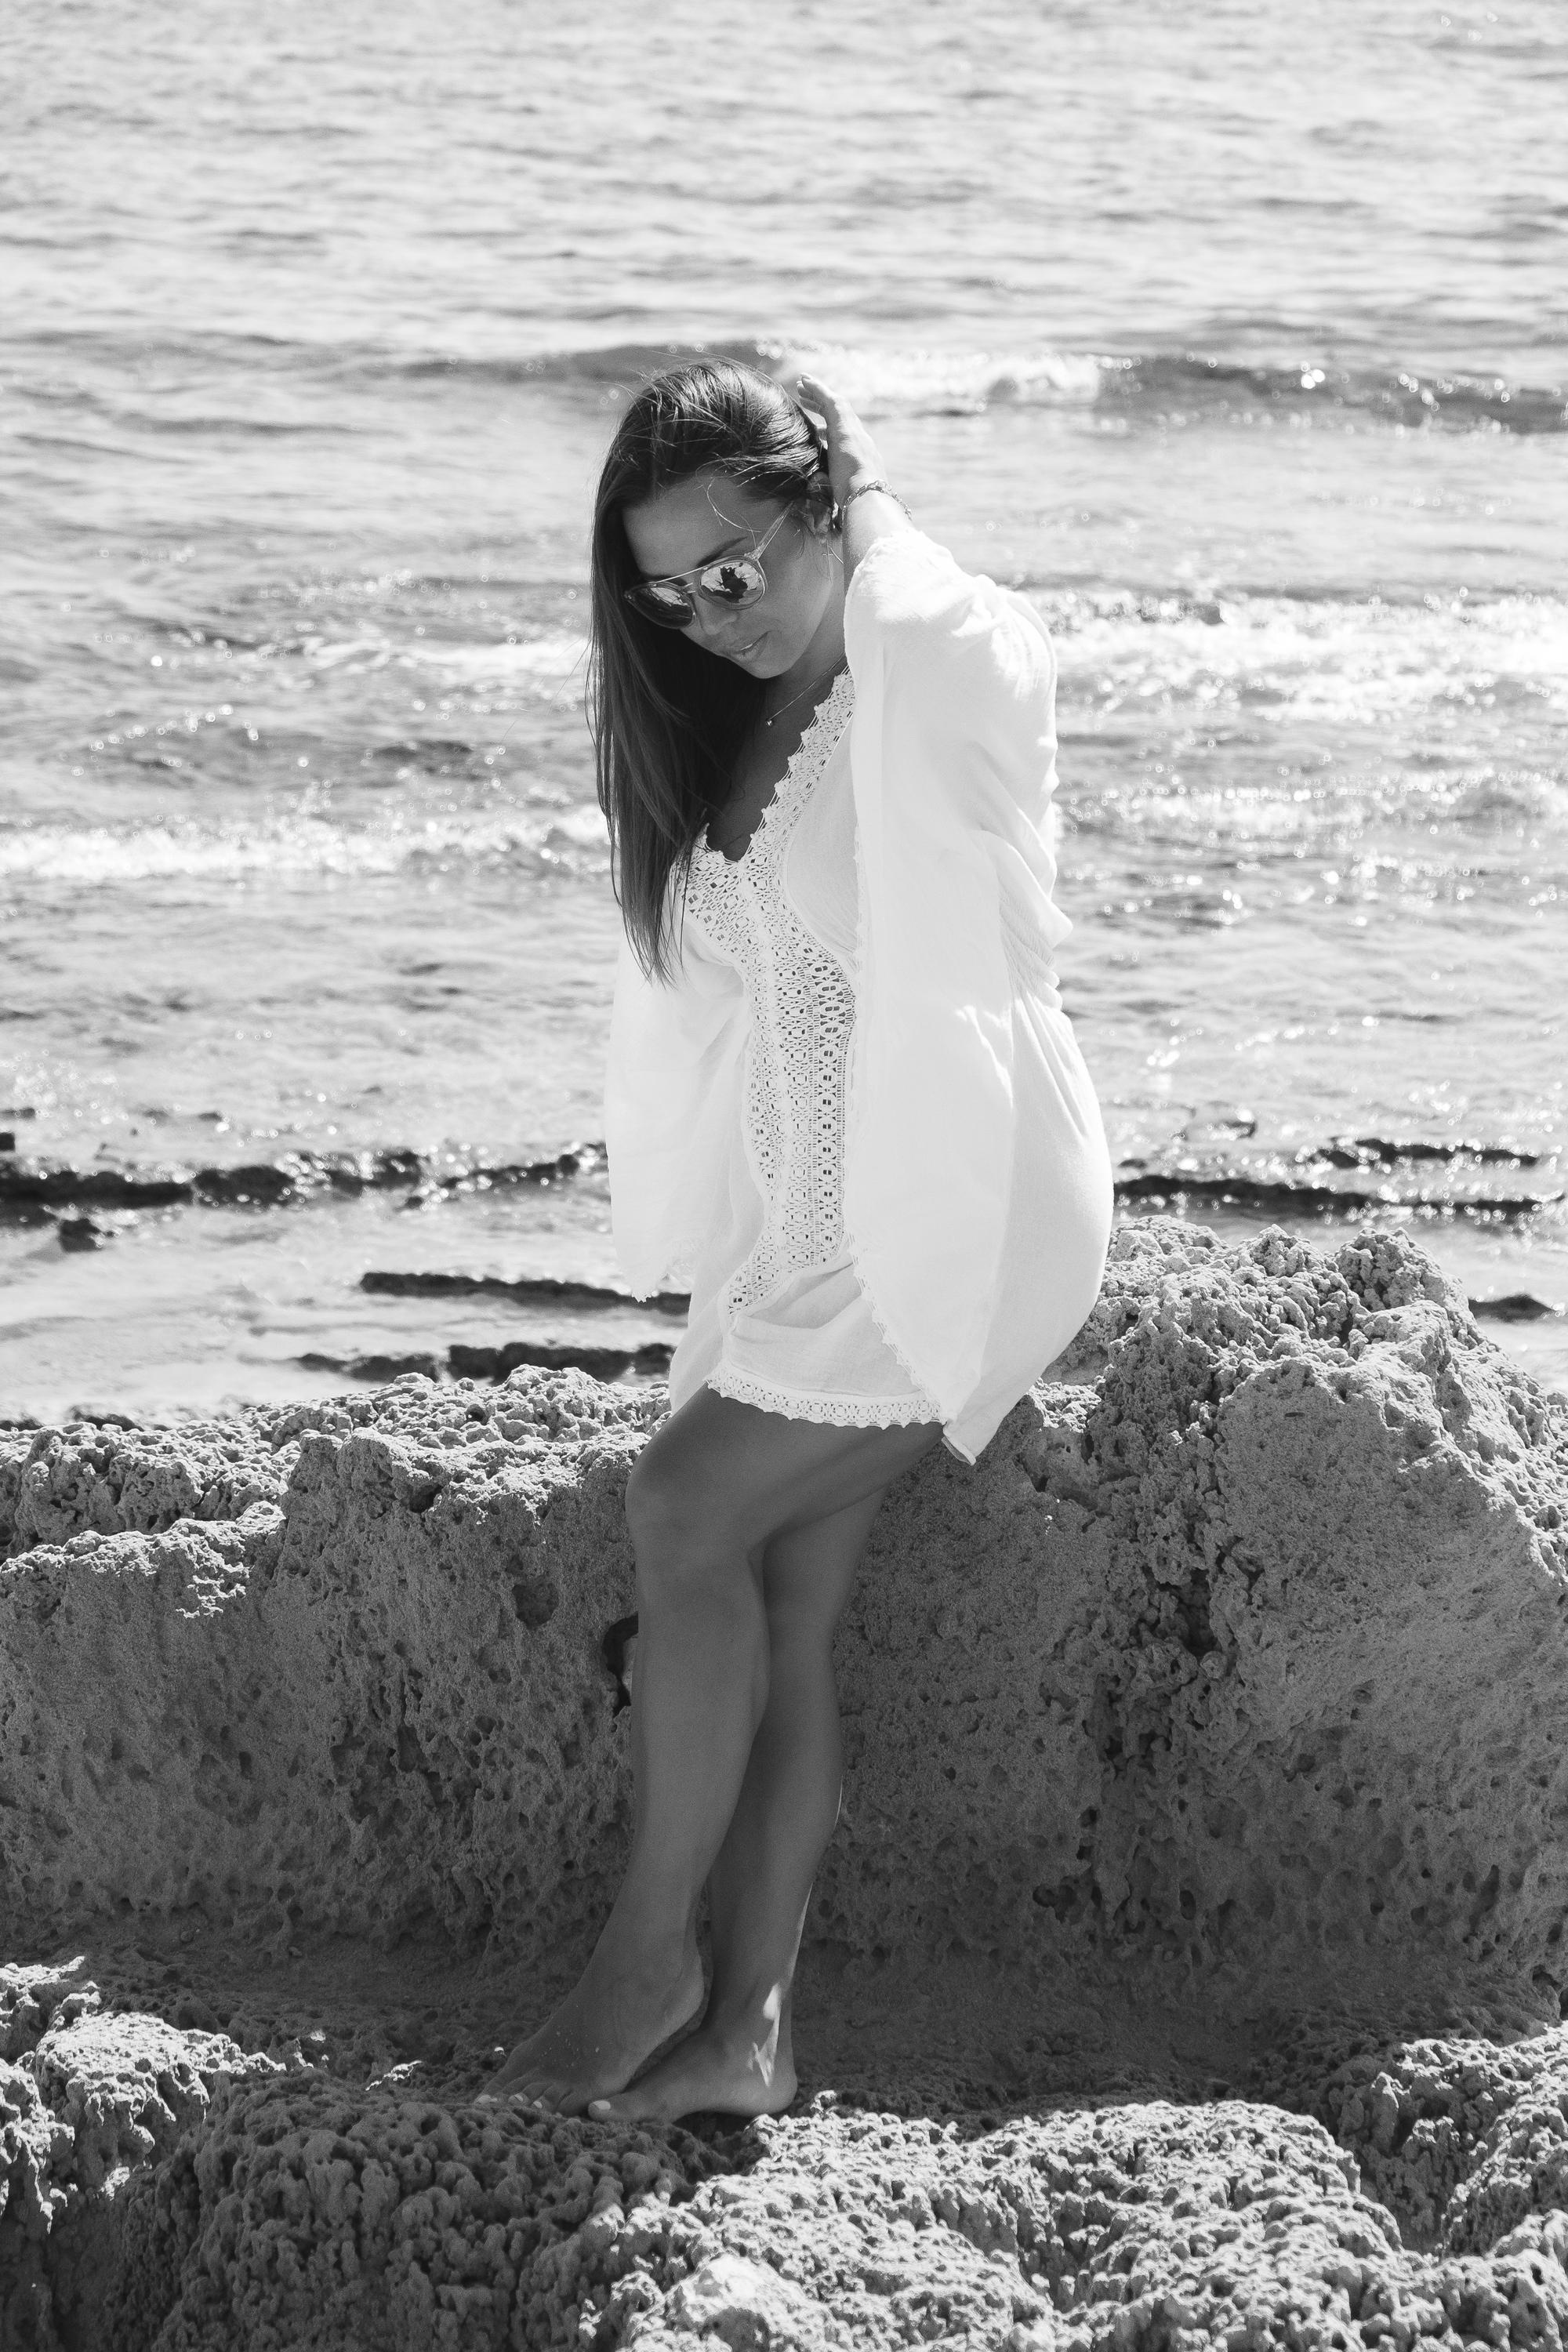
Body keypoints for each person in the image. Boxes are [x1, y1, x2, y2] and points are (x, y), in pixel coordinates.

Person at [492, 360, 1112, 2125]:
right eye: (668, 594)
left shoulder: (937, 658)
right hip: (802, 1236)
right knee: (779, 1606)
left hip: (959, 1199)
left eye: (737, 570)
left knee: (681, 1503)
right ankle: (751, 2031)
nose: (709, 617)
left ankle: (643, 1964)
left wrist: (876, 522)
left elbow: (978, 630)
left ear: (831, 498)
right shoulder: (742, 718)